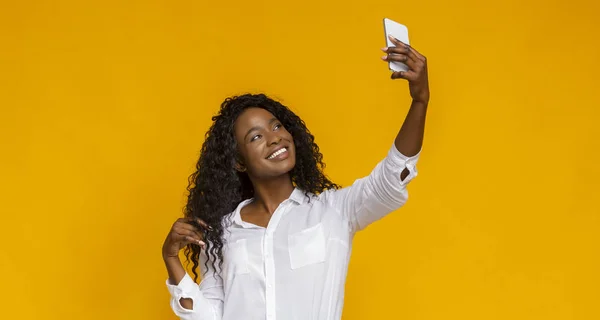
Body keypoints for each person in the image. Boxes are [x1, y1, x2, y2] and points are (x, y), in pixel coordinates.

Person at [161, 35, 430, 320]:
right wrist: (171, 259)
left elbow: (390, 179)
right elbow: (210, 316)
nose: (274, 138)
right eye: (256, 137)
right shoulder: (221, 233)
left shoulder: (333, 210)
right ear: (239, 161)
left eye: (276, 126)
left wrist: (420, 101)